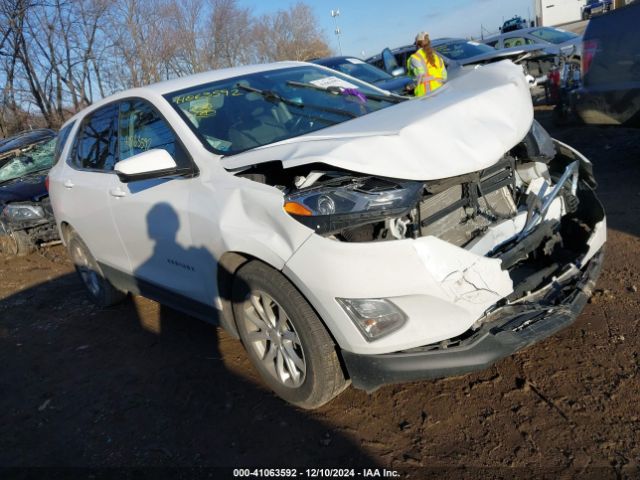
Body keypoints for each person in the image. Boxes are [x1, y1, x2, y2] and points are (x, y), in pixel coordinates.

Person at [407, 32, 447, 97]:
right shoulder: (437, 57)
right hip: (441, 93)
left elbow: (419, 78)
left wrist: (410, 87)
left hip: (425, 97)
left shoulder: (415, 58)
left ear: (417, 45)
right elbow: (444, 77)